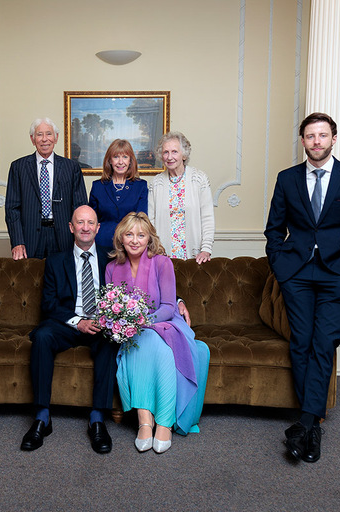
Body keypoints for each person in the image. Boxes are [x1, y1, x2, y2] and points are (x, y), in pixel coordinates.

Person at [264, 112, 340, 463]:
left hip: (335, 273)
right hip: (296, 272)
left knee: (324, 341)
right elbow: (273, 229)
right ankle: (312, 422)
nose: (316, 141)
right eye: (310, 136)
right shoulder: (287, 179)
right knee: (300, 342)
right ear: (303, 141)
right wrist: (281, 267)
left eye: (322, 135)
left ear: (333, 139)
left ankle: (305, 424)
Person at [106, 212, 210, 453]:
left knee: (153, 342)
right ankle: (145, 421)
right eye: (129, 234)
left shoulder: (162, 263)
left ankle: (163, 422)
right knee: (139, 342)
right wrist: (125, 323)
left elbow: (168, 307)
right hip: (130, 332)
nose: (135, 240)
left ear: (149, 238)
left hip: (164, 324)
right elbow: (112, 306)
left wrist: (142, 321)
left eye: (141, 235)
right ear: (121, 238)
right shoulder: (112, 267)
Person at [21, 205, 119, 454]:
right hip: (69, 323)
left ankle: (97, 419)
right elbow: (49, 304)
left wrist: (104, 319)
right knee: (42, 336)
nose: (85, 227)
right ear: (71, 227)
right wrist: (78, 321)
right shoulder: (55, 260)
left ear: (98, 228)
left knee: (110, 340)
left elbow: (134, 285)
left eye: (90, 223)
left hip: (99, 323)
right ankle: (42, 417)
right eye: (80, 222)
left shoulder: (111, 258)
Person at [5, 118, 88, 260]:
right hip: (29, 237)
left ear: (56, 138)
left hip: (64, 237)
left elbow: (80, 207)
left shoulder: (71, 167)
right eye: (39, 134)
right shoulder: (18, 167)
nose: (44, 139)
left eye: (49, 134)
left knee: (62, 280)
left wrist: (79, 239)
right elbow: (12, 208)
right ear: (32, 139)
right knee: (31, 281)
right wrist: (17, 241)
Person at [148, 131, 215, 264]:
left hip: (195, 257)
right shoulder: (156, 183)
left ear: (184, 155)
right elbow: (151, 222)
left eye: (174, 152)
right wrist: (156, 249)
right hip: (163, 256)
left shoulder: (199, 179)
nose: (169, 157)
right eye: (166, 152)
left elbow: (207, 218)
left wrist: (206, 249)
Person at [88, 139, 148, 248]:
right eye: (116, 157)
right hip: (102, 244)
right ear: (110, 160)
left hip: (131, 246)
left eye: (125, 157)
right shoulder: (98, 186)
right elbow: (92, 221)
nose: (120, 162)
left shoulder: (141, 186)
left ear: (130, 161)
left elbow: (142, 220)